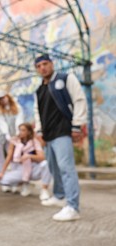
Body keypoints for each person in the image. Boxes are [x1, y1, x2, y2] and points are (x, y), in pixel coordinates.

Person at [34, 54, 87, 222]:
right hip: (48, 135)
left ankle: (73, 206)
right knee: (53, 167)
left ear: (51, 64)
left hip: (63, 131)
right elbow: (38, 112)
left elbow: (79, 100)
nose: (43, 67)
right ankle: (59, 195)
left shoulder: (65, 79)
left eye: (45, 64)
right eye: (39, 66)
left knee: (66, 168)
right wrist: (39, 131)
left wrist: (77, 125)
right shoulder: (39, 90)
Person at [0, 123, 52, 199]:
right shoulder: (15, 141)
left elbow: (42, 157)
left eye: (23, 130)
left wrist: (29, 156)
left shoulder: (34, 141)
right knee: (3, 181)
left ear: (29, 131)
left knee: (46, 164)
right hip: (20, 168)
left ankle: (44, 190)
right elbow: (9, 157)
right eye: (20, 130)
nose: (21, 132)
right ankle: (24, 183)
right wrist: (2, 172)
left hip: (33, 167)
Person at [0, 89, 24, 182]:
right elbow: (2, 123)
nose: (3, 100)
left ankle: (13, 179)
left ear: (8, 96)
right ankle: (2, 178)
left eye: (4, 97)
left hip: (13, 136)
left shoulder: (17, 107)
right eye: (0, 99)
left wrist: (17, 134)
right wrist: (7, 134)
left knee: (13, 157)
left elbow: (19, 121)